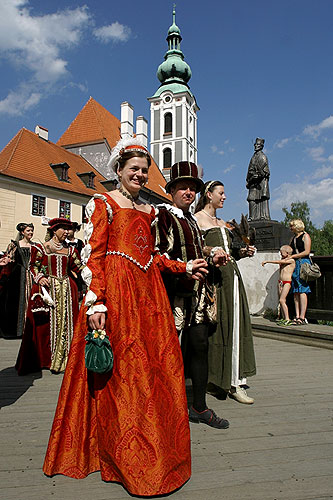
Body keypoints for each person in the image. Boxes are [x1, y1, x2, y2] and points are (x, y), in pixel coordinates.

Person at [43, 138, 206, 496]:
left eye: (144, 171)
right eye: (134, 169)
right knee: (123, 374)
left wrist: (184, 265)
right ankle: (121, 453)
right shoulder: (102, 203)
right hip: (117, 294)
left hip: (149, 297)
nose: (140, 175)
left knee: (157, 371)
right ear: (118, 170)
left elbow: (153, 257)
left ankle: (157, 449)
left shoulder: (149, 212)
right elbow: (93, 256)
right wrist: (96, 303)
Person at [155, 163, 230, 428]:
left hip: (198, 294)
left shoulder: (189, 218)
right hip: (174, 293)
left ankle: (199, 406)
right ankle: (165, 408)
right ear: (172, 190)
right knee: (170, 350)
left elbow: (197, 244)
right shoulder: (164, 216)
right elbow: (158, 255)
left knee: (200, 346)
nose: (188, 192)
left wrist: (211, 253)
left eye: (192, 188)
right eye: (183, 187)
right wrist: (183, 270)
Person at [195, 180, 256, 404]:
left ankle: (236, 380)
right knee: (218, 328)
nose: (224, 197)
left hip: (233, 279)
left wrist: (243, 251)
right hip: (214, 281)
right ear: (209, 194)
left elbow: (232, 253)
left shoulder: (222, 222)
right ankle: (217, 379)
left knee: (235, 326)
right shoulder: (197, 219)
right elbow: (194, 247)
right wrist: (211, 252)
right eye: (221, 193)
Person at [15, 218, 82, 375]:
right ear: (54, 230)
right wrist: (40, 277)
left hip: (66, 289)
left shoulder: (71, 250)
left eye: (68, 229)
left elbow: (79, 267)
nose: (67, 232)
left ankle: (66, 359)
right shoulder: (41, 248)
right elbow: (33, 266)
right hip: (48, 291)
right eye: (64, 229)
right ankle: (47, 359)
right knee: (46, 325)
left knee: (67, 323)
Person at [0, 223, 34, 338]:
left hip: (32, 276)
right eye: (28, 231)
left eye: (31, 231)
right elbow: (10, 260)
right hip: (18, 276)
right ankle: (18, 330)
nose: (30, 233)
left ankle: (29, 330)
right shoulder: (14, 245)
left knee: (31, 300)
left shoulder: (35, 246)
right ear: (22, 232)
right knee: (17, 302)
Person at [262, 245, 296, 325]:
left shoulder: (291, 260)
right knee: (281, 301)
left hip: (287, 282)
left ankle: (287, 318)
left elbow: (280, 262)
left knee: (282, 300)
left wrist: (268, 261)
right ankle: (284, 317)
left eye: (282, 253)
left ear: (287, 253)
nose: (280, 254)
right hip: (281, 282)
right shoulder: (283, 259)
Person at [289, 219, 312, 325]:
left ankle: (302, 316)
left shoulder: (305, 236)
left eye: (292, 226)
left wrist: (293, 256)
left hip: (303, 263)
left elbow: (307, 251)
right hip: (295, 263)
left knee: (302, 289)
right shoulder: (293, 238)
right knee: (296, 290)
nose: (290, 228)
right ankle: (297, 315)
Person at [246, 138, 270, 220]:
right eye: (255, 144)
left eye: (257, 144)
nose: (256, 146)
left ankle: (263, 216)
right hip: (253, 182)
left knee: (262, 199)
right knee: (251, 199)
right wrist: (252, 176)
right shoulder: (253, 157)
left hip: (261, 183)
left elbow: (266, 172)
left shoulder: (263, 157)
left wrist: (260, 175)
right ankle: (252, 217)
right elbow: (250, 169)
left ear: (261, 146)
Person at [65, 222, 86, 300]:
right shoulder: (64, 243)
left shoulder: (80, 243)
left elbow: (84, 255)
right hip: (67, 268)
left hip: (78, 268)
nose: (67, 231)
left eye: (70, 229)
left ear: (74, 230)